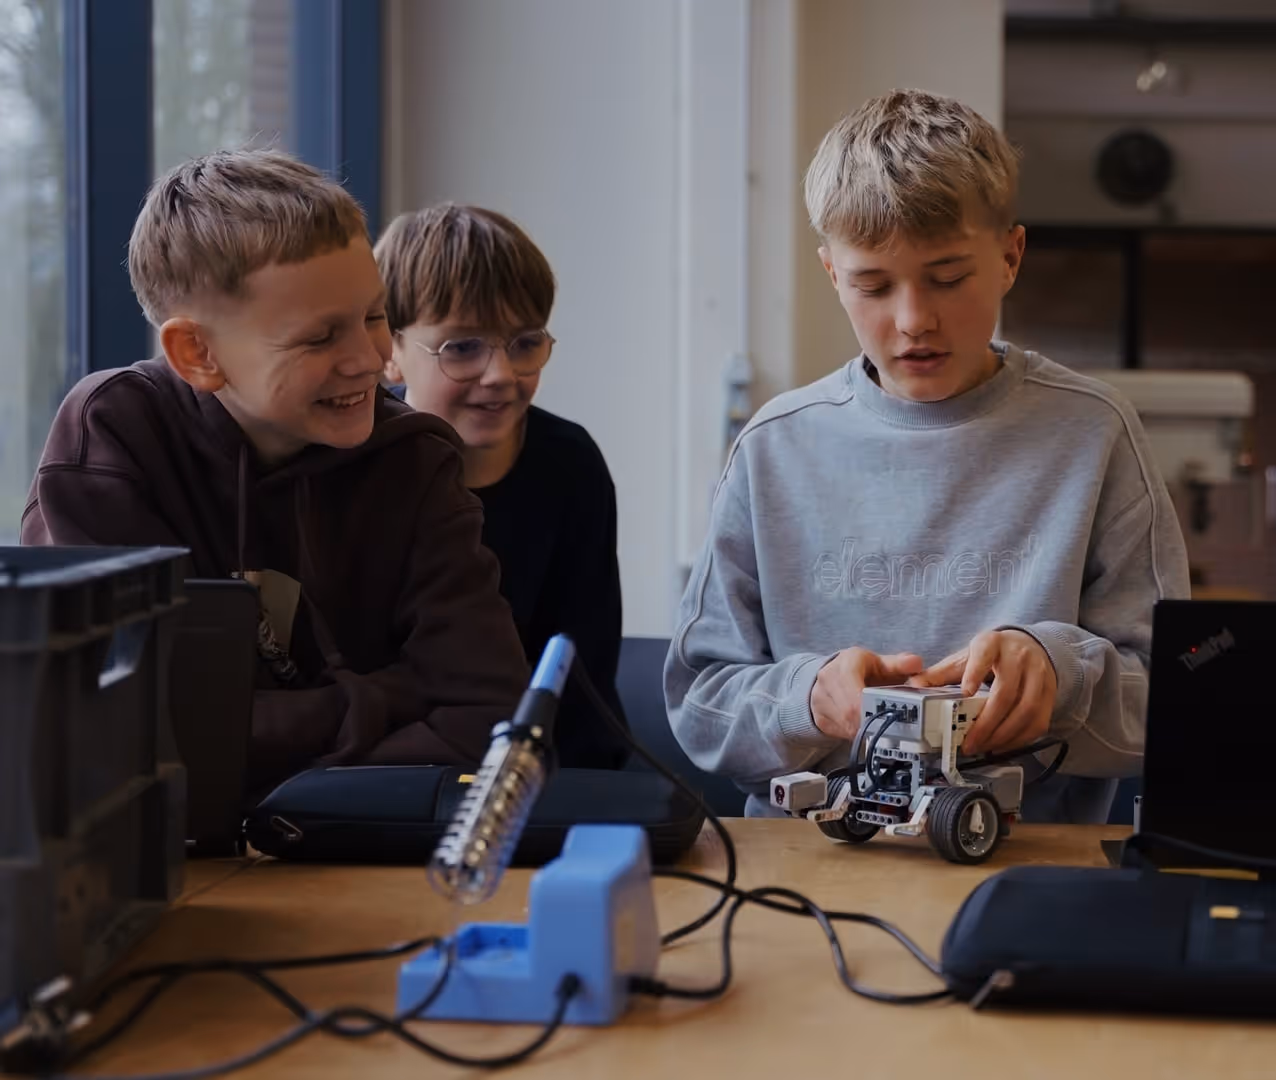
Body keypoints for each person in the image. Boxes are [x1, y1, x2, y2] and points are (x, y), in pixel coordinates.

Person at [665, 89, 1190, 823]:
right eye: (872, 286)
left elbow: (1178, 691)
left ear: (1010, 256)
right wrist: (811, 699)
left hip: (1026, 867)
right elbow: (699, 706)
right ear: (831, 275)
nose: (913, 321)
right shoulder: (774, 446)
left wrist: (1058, 675)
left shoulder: (1094, 433)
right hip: (812, 869)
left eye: (948, 278)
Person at [22, 149, 529, 794]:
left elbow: (489, 725)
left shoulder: (415, 457)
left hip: (360, 863)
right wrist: (381, 700)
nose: (369, 360)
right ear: (197, 352)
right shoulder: (114, 433)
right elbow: (115, 730)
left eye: (374, 317)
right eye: (319, 338)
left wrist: (246, 735)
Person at [376, 204, 627, 768]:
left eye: (523, 343)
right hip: (393, 775)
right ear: (389, 352)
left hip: (540, 780)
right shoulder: (358, 467)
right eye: (462, 348)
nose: (500, 374)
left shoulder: (571, 466)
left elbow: (584, 681)